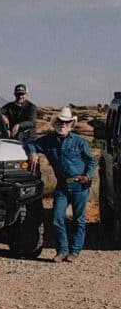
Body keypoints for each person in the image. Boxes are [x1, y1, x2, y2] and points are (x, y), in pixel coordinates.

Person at [26, 107, 96, 263]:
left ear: (71, 124)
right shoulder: (48, 141)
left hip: (80, 185)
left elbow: (91, 161)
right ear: (55, 123)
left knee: (79, 219)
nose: (63, 125)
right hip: (62, 186)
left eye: (66, 122)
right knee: (57, 218)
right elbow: (31, 144)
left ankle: (75, 252)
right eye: (60, 122)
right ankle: (62, 250)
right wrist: (33, 152)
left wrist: (88, 175)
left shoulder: (79, 141)